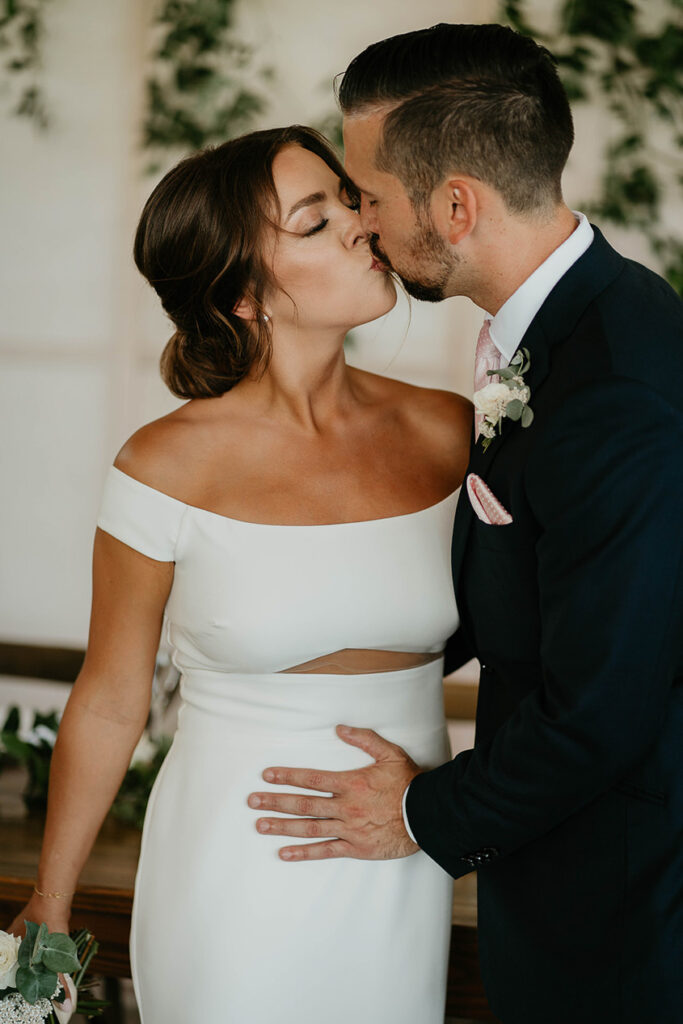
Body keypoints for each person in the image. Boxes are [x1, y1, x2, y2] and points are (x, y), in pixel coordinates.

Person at [247, 24, 683, 1024]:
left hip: (623, 913)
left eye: (365, 194)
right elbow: (522, 588)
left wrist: (413, 813)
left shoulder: (615, 384)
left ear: (453, 205)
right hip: (568, 881)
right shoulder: (571, 326)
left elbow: (599, 710)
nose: (358, 222)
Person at [6, 125, 473, 1023]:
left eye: (347, 199)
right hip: (234, 860)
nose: (356, 224)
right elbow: (110, 697)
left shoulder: (450, 431)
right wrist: (49, 905)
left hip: (401, 859)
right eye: (312, 220)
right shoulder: (162, 467)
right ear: (243, 294)